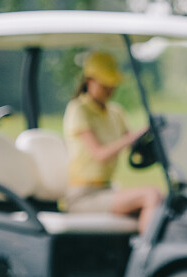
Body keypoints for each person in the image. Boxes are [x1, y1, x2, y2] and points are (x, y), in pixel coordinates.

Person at [62, 51, 163, 236]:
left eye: (112, 85)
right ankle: (147, 257)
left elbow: (134, 144)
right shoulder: (78, 110)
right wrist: (131, 138)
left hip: (107, 190)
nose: (110, 90)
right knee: (151, 195)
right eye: (104, 85)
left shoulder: (116, 112)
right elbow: (100, 154)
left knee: (164, 199)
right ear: (89, 80)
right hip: (83, 196)